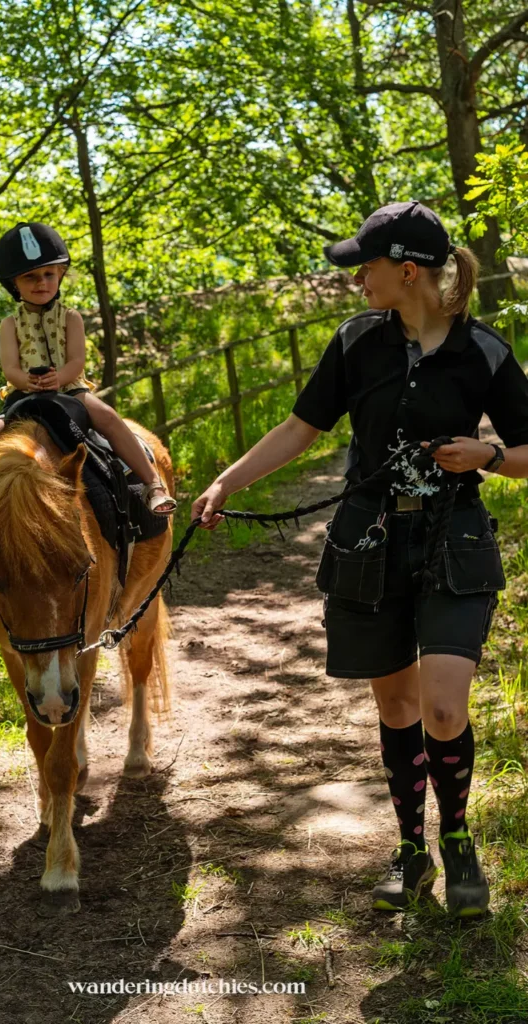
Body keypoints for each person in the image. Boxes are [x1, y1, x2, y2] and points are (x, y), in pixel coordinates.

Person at [192, 201, 528, 918]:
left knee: (442, 706)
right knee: (398, 706)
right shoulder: (354, 343)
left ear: (406, 272)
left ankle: (458, 840)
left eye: (364, 268)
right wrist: (226, 481)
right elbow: (298, 428)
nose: (355, 282)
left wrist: (490, 456)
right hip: (367, 549)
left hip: (452, 545)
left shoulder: (485, 352)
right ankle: (411, 850)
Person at [0, 222, 175, 555]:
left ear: (60, 276)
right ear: (14, 284)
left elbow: (77, 359)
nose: (42, 283)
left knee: (106, 417)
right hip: (24, 396)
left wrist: (59, 378)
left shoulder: (71, 318)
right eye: (31, 277)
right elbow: (10, 367)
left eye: (49, 274)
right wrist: (28, 382)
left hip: (69, 390)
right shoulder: (10, 324)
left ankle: (152, 484)